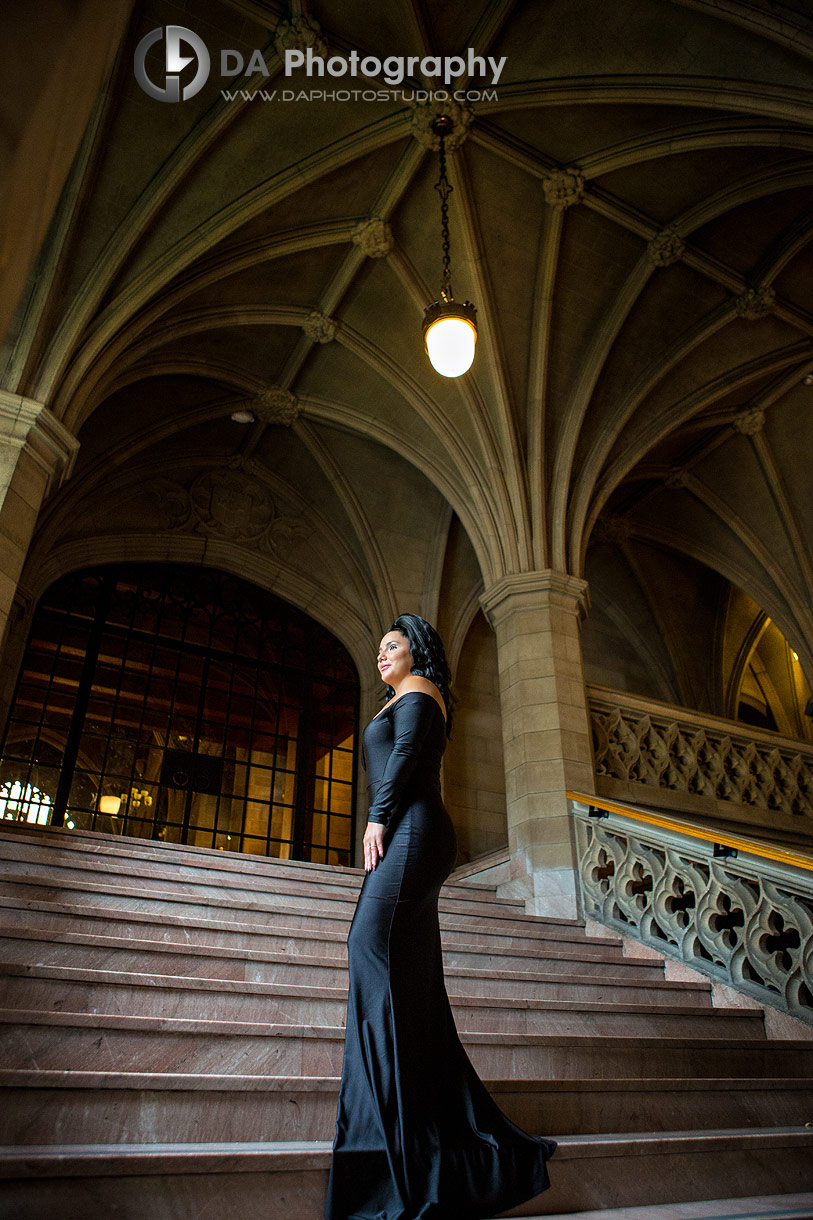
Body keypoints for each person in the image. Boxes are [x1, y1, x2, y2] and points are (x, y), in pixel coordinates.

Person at [325, 614, 556, 1220]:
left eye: (392, 646)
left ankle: (398, 1131)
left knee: (368, 952)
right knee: (411, 981)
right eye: (377, 648)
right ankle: (418, 1124)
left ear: (417, 651)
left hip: (413, 830)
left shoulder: (421, 690)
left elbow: (404, 757)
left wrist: (376, 818)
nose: (382, 655)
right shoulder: (398, 695)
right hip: (407, 832)